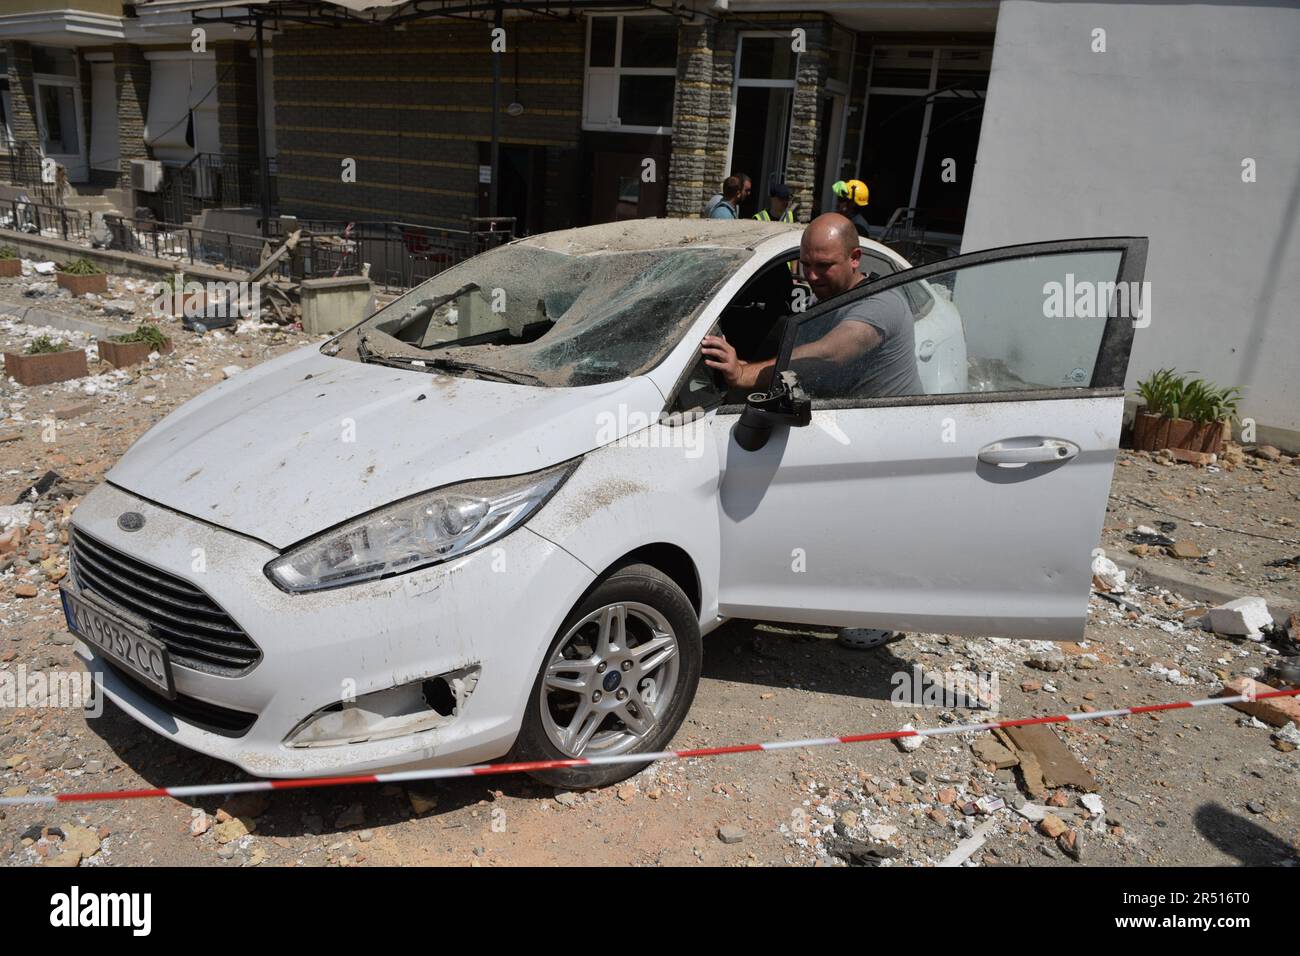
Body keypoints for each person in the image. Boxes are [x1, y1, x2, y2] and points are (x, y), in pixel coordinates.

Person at [699, 212, 922, 398]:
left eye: (824, 265)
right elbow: (796, 367)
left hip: (885, 442)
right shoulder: (826, 299)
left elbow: (828, 354)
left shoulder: (881, 302)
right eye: (806, 264)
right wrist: (740, 364)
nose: (812, 276)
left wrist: (743, 374)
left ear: (854, 258)